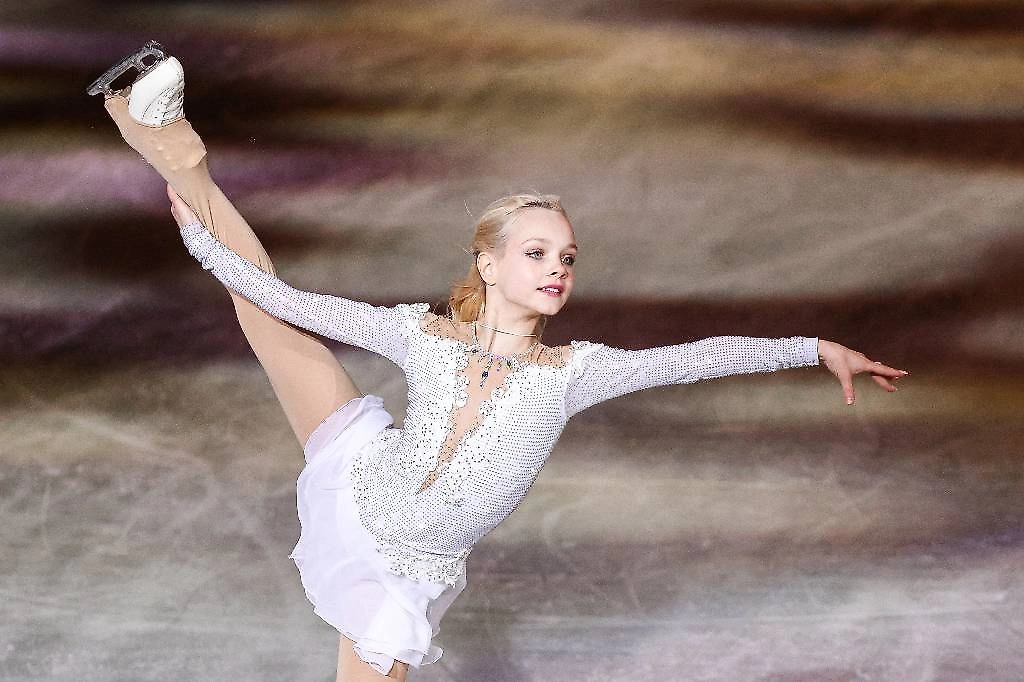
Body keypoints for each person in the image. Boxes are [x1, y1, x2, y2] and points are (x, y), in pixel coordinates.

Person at [90, 44, 908, 681]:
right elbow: (290, 301)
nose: (558, 268)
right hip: (359, 480)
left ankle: (161, 143)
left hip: (404, 568)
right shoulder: (423, 335)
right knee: (270, 317)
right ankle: (175, 150)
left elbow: (696, 358)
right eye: (537, 252)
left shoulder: (575, 372)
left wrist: (814, 348)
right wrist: (201, 243)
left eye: (568, 257)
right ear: (488, 263)